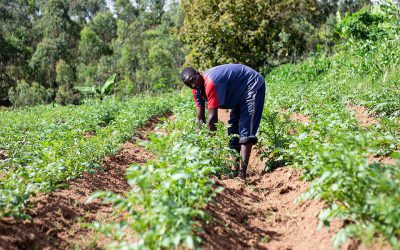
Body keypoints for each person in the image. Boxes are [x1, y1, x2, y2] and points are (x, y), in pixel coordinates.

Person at [180, 63, 265, 180]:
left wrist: (210, 144)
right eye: (189, 84)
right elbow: (199, 118)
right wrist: (198, 141)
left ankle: (242, 175)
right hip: (237, 94)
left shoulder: (209, 83)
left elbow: (212, 119)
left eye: (193, 80)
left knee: (246, 129)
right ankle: (234, 170)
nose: (193, 84)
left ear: (198, 74)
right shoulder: (196, 90)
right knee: (233, 131)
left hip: (251, 84)